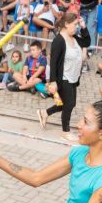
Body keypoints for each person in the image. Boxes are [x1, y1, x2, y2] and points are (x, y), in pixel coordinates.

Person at [36, 13, 81, 142]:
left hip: (73, 77)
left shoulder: (74, 37)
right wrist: (53, 81)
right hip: (63, 78)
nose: (76, 27)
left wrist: (84, 27)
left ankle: (44, 113)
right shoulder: (58, 40)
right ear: (66, 24)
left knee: (67, 104)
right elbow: (54, 62)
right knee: (69, 104)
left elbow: (87, 42)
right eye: (75, 24)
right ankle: (65, 131)